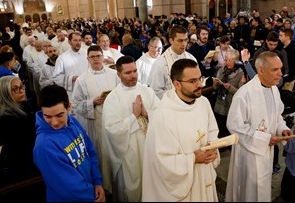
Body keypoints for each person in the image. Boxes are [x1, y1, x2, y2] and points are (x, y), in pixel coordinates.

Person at [142, 58, 220, 201]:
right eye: (192, 81)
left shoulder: (203, 103)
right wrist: (193, 159)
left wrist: (213, 146)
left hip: (205, 174)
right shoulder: (163, 115)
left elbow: (212, 131)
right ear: (176, 84)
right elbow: (161, 160)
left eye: (200, 78)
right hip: (184, 187)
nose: (199, 85)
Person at [225, 51, 293, 202]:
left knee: (261, 188)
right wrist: (264, 139)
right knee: (248, 192)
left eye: (280, 69)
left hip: (266, 152)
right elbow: (234, 126)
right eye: (275, 70)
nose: (280, 74)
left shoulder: (274, 89)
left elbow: (276, 116)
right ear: (261, 71)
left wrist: (282, 129)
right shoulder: (244, 94)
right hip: (249, 154)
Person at [33, 84, 106, 202]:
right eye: (48, 116)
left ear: (69, 107)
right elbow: (68, 188)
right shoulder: (44, 146)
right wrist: (93, 196)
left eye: (59, 115)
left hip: (91, 189)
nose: (55, 122)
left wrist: (97, 182)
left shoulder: (72, 121)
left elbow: (89, 151)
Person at [102, 56, 160, 201]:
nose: (133, 75)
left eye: (135, 71)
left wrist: (147, 114)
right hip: (129, 152)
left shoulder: (147, 91)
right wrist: (133, 116)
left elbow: (162, 115)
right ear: (118, 74)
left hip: (151, 148)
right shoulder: (113, 99)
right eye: (128, 73)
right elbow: (111, 129)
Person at [71, 45, 120, 193]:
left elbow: (121, 93)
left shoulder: (114, 74)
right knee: (102, 155)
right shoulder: (81, 79)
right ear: (88, 59)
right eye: (92, 57)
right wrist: (92, 102)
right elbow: (76, 104)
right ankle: (104, 186)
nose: (96, 59)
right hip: (96, 123)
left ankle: (118, 182)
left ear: (102, 57)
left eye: (98, 56)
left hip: (115, 120)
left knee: (115, 152)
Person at [0, 76, 38, 180]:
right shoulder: (5, 117)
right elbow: (21, 145)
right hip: (24, 163)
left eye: (21, 86)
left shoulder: (25, 104)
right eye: (15, 89)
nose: (21, 90)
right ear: (5, 93)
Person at [148, 25, 197, 99]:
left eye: (186, 40)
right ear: (171, 40)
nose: (184, 44)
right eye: (180, 40)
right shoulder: (160, 63)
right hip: (170, 106)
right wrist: (180, 96)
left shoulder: (191, 59)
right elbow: (156, 91)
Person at [213, 49, 244, 139]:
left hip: (230, 104)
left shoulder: (240, 73)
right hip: (220, 103)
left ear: (236, 61)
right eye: (226, 60)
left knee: (228, 127)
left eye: (230, 60)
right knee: (219, 126)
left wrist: (230, 88)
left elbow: (241, 93)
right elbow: (215, 88)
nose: (227, 62)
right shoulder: (221, 70)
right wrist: (215, 84)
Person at [52, 31, 88, 100]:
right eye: (75, 40)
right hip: (73, 92)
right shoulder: (62, 58)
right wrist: (71, 78)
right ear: (69, 42)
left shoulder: (87, 53)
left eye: (79, 40)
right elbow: (56, 77)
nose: (78, 43)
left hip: (88, 88)